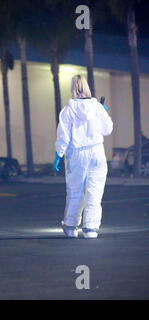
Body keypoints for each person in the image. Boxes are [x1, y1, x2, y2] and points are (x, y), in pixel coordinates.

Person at [54, 75, 113, 239]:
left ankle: (71, 226)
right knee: (95, 191)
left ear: (73, 88)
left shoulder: (68, 110)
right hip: (97, 152)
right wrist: (104, 112)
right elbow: (108, 129)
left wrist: (58, 155)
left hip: (77, 153)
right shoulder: (97, 107)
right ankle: (91, 229)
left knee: (75, 191)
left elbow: (63, 136)